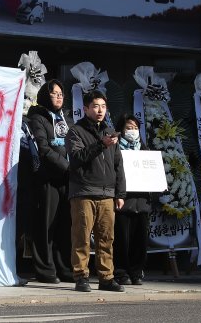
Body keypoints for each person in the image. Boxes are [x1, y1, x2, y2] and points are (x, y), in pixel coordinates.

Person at [65, 90, 126, 293]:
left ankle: (106, 277)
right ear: (86, 109)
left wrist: (120, 194)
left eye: (103, 106)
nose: (100, 110)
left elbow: (118, 165)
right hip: (83, 191)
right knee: (81, 237)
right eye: (95, 106)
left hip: (107, 193)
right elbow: (77, 158)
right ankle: (81, 276)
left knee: (106, 238)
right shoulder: (76, 131)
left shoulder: (110, 131)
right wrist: (101, 144)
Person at [27, 80, 73, 284]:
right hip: (48, 179)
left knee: (65, 226)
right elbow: (43, 149)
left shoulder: (67, 118)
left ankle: (65, 268)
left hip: (69, 181)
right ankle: (45, 269)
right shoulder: (38, 117)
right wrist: (66, 166)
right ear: (46, 95)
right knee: (46, 225)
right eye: (54, 93)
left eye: (61, 93)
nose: (59, 97)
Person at [113, 114, 150, 286]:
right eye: (129, 127)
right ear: (121, 129)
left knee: (140, 240)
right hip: (123, 201)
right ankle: (121, 273)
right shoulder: (116, 149)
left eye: (135, 128)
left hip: (141, 201)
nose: (133, 131)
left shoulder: (144, 149)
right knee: (122, 239)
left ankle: (136, 272)